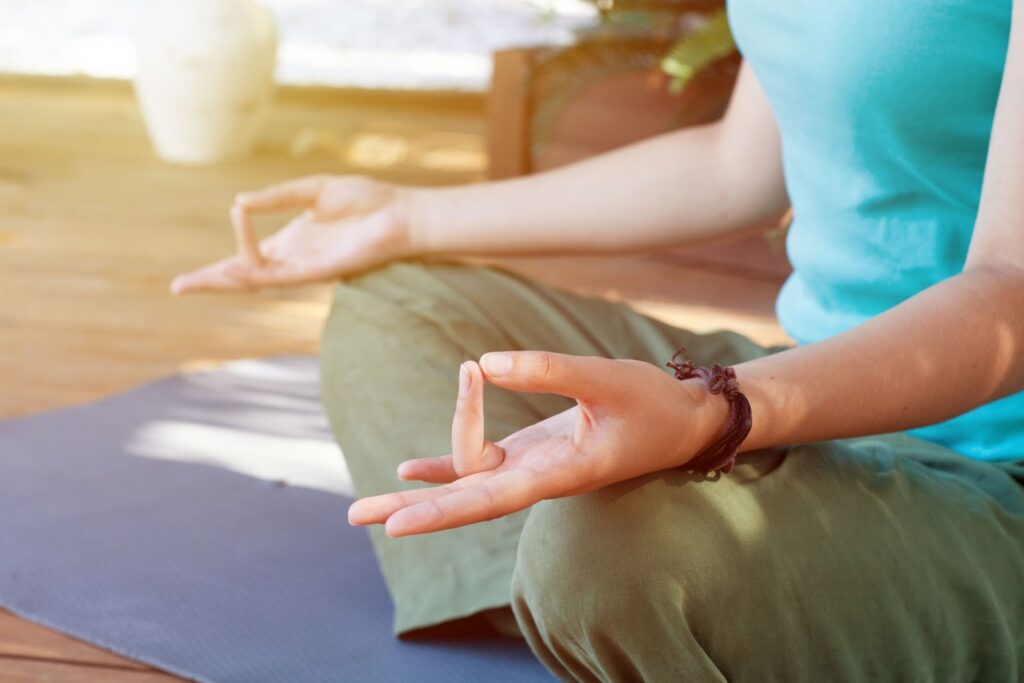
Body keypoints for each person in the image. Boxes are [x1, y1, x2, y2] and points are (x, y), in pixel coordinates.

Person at [172, 0, 1024, 679]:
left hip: (998, 474)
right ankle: (622, 622)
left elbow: (1009, 302)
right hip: (807, 388)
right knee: (399, 309)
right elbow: (738, 165)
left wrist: (709, 409)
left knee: (602, 544)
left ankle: (617, 604)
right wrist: (410, 216)